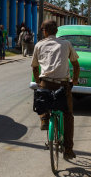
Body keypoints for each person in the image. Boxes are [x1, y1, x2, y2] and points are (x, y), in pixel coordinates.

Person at [31, 20, 80, 160]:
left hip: (45, 84)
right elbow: (76, 65)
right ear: (56, 31)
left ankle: (44, 118)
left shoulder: (39, 45)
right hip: (62, 85)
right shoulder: (66, 44)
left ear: (44, 31)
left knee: (40, 102)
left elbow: (34, 67)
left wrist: (38, 82)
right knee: (68, 115)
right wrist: (74, 80)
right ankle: (69, 150)